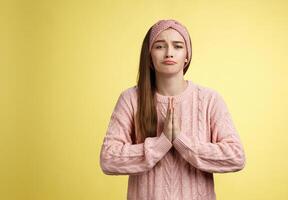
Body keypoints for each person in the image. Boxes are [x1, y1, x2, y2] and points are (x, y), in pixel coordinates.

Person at [99, 19, 246, 200]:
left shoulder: (209, 99)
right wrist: (161, 143)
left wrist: (181, 141)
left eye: (177, 46)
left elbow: (235, 157)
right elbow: (108, 159)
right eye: (160, 46)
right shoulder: (131, 99)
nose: (169, 53)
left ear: (187, 55)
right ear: (149, 55)